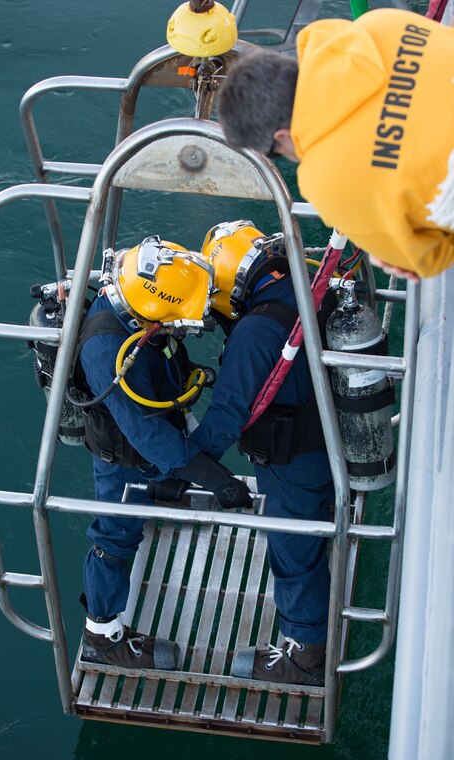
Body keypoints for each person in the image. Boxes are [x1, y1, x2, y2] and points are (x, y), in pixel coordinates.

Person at [76, 235, 252, 671]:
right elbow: (146, 433)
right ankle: (103, 634)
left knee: (160, 472)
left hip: (156, 432)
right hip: (125, 460)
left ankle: (164, 483)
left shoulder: (140, 310)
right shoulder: (106, 351)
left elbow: (167, 359)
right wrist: (216, 480)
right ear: (153, 312)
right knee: (115, 535)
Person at [183, 220, 335, 685]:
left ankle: (304, 655)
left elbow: (228, 413)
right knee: (309, 531)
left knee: (292, 548)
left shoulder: (254, 331)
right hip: (330, 440)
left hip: (293, 459)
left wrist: (185, 464)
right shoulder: (310, 285)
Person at [216, 8, 454, 281]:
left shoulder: (327, 183)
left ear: (281, 137)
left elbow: (430, 260)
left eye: (275, 152)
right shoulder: (378, 25)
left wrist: (395, 252)